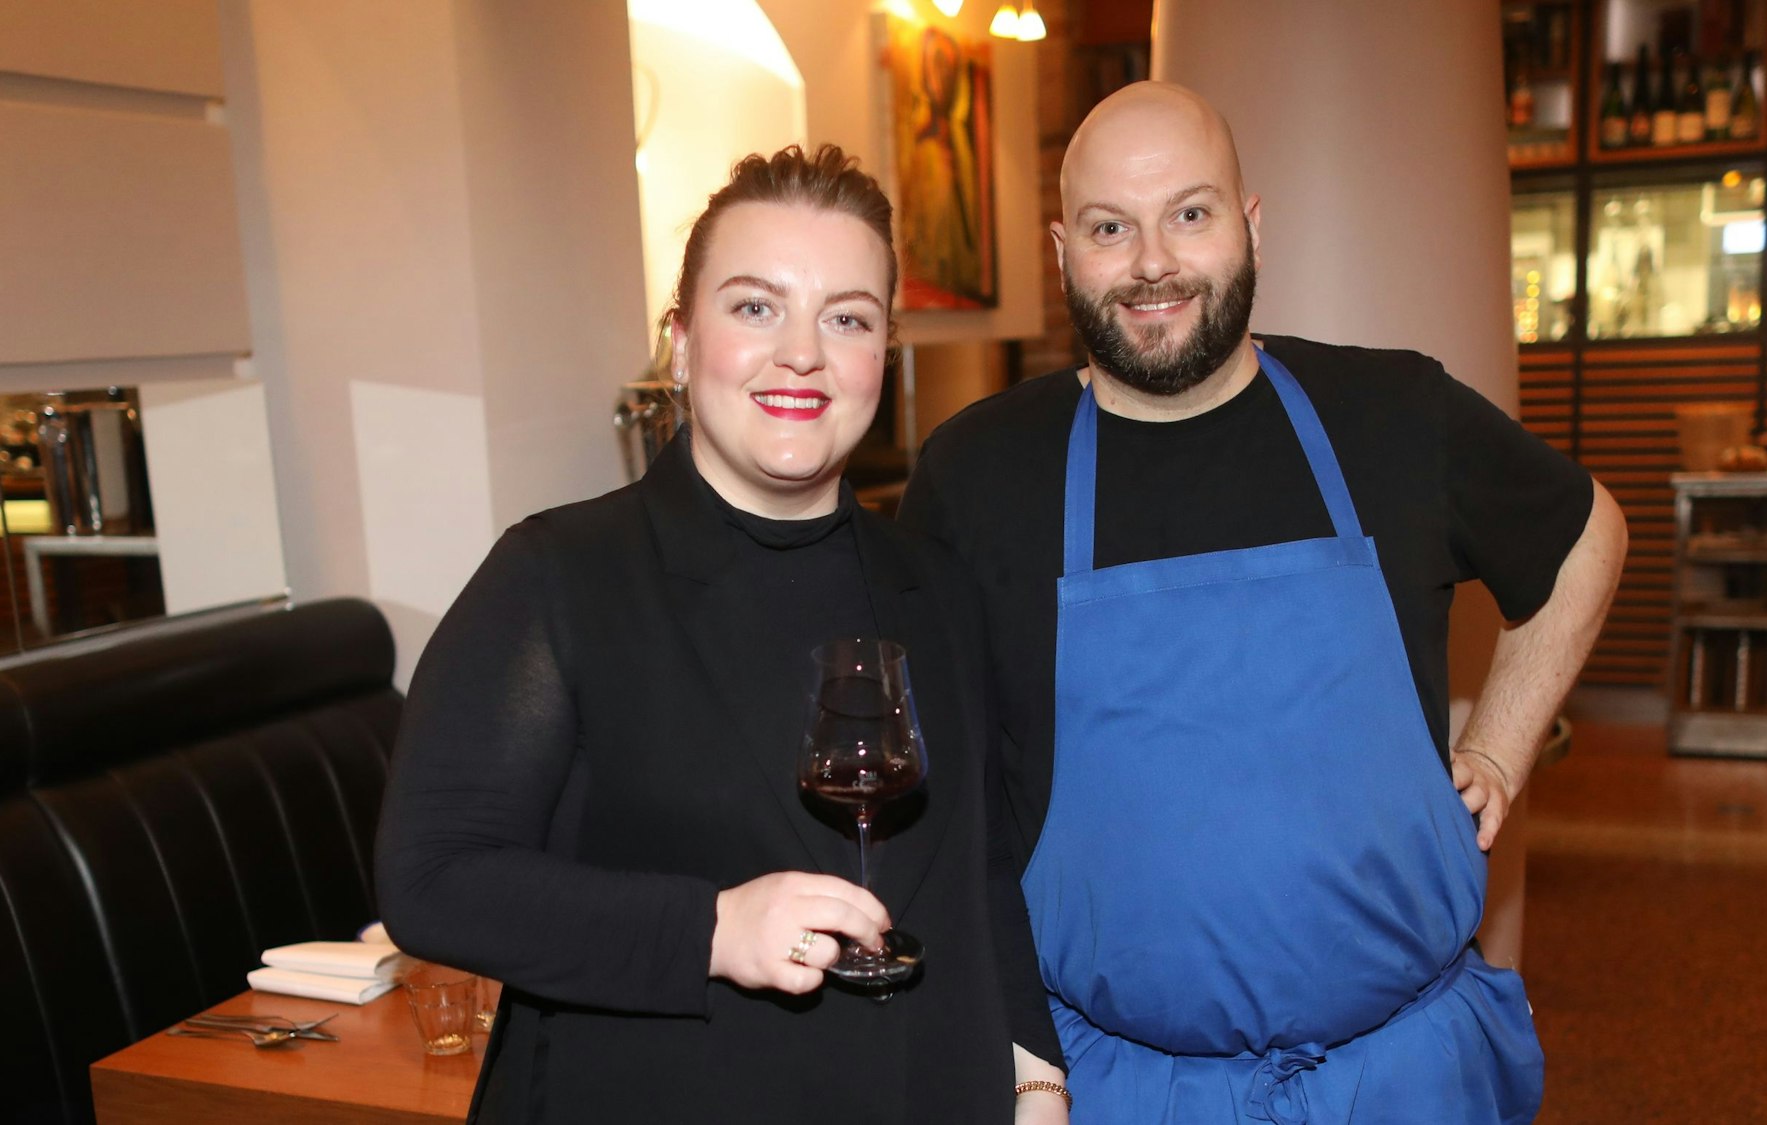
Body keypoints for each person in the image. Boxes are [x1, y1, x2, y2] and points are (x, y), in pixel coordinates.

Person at [899, 83, 1627, 1124]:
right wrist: (1023, 1064)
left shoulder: (1393, 415)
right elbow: (945, 815)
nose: (1152, 262)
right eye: (1110, 228)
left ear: (1249, 224)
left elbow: (1588, 534)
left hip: (1405, 1080)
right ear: (1062, 251)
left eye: (1189, 214)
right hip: (1120, 1090)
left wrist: (1502, 749)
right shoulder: (976, 474)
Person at [375, 144, 1068, 1124]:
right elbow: (431, 880)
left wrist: (1035, 1075)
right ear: (681, 340)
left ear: (883, 353)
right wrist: (711, 929)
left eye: (846, 318)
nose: (802, 353)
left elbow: (981, 869)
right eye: (755, 307)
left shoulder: (938, 587)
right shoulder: (560, 575)